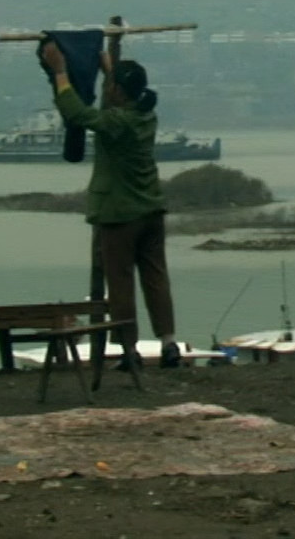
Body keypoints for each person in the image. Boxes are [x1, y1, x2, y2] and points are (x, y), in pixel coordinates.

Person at [38, 40, 180, 369]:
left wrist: (60, 71)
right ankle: (168, 343)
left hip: (119, 214)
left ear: (118, 91)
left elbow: (77, 112)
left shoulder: (117, 122)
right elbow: (115, 97)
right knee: (156, 277)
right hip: (151, 210)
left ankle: (128, 349)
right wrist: (108, 69)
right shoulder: (146, 114)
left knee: (120, 283)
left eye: (112, 86)